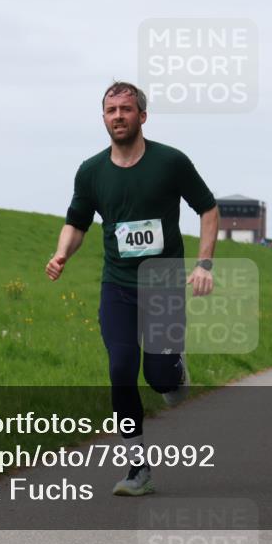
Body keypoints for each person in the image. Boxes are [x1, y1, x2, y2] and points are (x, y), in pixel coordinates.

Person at [46, 81, 219, 496]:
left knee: (160, 381)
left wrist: (204, 264)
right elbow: (77, 221)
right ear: (103, 118)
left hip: (162, 285)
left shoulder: (170, 162)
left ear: (142, 115)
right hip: (118, 286)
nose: (118, 116)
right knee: (120, 369)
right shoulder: (91, 171)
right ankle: (137, 467)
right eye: (111, 110)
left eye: (126, 109)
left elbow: (208, 209)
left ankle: (174, 369)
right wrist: (62, 253)